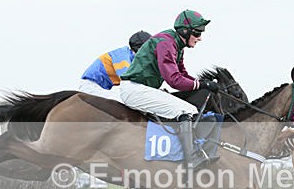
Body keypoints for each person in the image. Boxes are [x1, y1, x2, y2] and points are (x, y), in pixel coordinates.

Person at [120, 10, 221, 169]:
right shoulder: (167, 44)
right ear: (185, 31)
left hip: (142, 88)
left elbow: (183, 74)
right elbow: (174, 80)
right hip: (134, 89)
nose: (200, 37)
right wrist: (202, 85)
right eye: (197, 33)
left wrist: (201, 82)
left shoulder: (177, 45)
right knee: (185, 110)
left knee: (190, 108)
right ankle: (191, 159)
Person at [76, 30, 152, 101]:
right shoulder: (123, 56)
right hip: (91, 87)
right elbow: (127, 80)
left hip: (101, 88)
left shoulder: (132, 58)